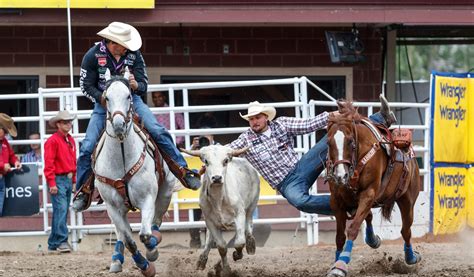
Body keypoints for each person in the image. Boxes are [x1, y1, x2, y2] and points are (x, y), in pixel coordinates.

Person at [73, 22, 201, 212]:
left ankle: (182, 170)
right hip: (105, 104)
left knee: (158, 130)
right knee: (87, 146)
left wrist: (135, 86)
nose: (126, 47)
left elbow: (144, 85)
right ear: (112, 42)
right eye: (122, 43)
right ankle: (83, 190)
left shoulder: (134, 55)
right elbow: (85, 86)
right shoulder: (93, 55)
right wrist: (103, 99)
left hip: (133, 101)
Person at [229, 99, 396, 216]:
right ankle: (347, 205)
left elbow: (309, 124)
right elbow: (226, 151)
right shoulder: (245, 139)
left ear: (266, 117)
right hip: (285, 183)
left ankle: (380, 117)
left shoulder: (281, 124)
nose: (255, 121)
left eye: (258, 117)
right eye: (251, 119)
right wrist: (209, 160)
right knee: (300, 202)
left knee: (333, 137)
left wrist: (336, 114)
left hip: (301, 167)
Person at [44, 110, 77, 253]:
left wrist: (74, 180)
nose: (69, 124)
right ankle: (62, 241)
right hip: (59, 179)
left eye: (69, 122)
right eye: (65, 122)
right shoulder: (53, 141)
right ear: (58, 124)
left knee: (60, 210)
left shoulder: (70, 140)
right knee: (62, 209)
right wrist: (52, 182)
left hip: (66, 178)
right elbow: (48, 164)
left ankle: (53, 243)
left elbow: (73, 161)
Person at [0, 114, 21, 216]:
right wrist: (2, 165)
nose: (7, 134)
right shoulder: (4, 141)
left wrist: (15, 161)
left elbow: (11, 154)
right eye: (5, 131)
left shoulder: (4, 141)